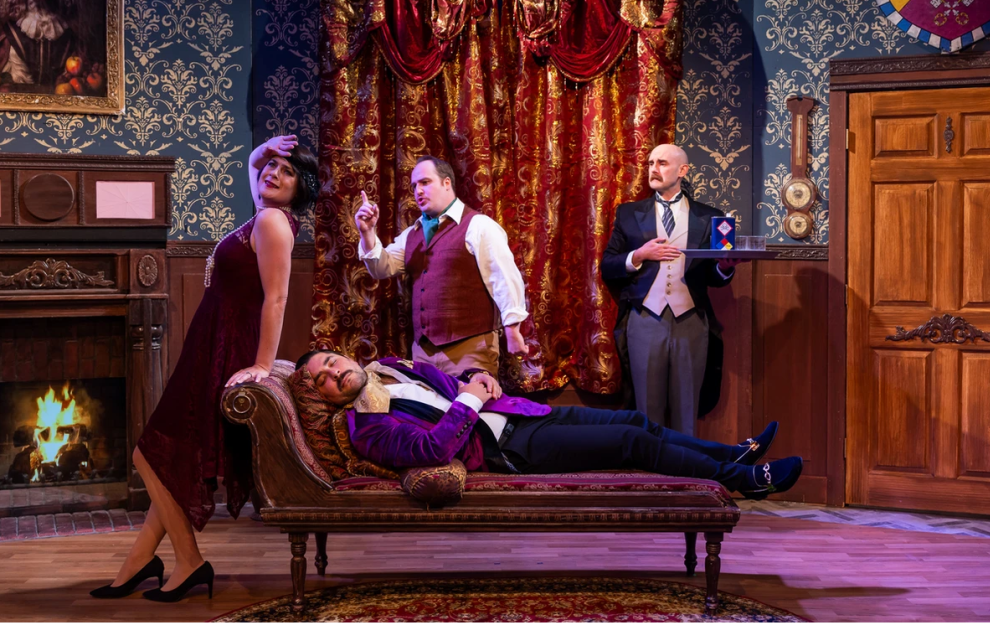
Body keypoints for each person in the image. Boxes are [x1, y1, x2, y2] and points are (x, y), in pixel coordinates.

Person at [89, 135, 320, 602]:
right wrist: (263, 152)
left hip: (226, 350)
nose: (273, 173)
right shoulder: (265, 212)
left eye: (287, 171)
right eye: (271, 166)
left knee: (148, 454)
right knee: (171, 459)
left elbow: (276, 299)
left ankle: (189, 561)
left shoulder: (273, 221)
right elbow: (254, 166)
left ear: (300, 188)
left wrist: (261, 364)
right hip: (210, 344)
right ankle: (140, 561)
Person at [294, 350, 799, 499]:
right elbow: (431, 451)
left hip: (520, 413)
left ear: (344, 354)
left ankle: (731, 452)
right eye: (322, 381)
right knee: (629, 441)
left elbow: (449, 382)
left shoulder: (390, 367)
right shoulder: (367, 427)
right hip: (509, 448)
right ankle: (744, 480)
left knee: (634, 419)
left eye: (331, 363)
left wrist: (474, 378)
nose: (334, 375)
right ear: (325, 396)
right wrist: (469, 400)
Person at [600, 144, 746, 435]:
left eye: (662, 163)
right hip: (644, 319)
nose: (653, 169)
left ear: (682, 171)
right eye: (650, 163)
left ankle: (685, 461)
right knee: (646, 406)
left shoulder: (710, 217)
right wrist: (639, 255)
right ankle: (649, 461)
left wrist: (725, 267)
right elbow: (608, 266)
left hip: (690, 319)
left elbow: (715, 277)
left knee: (686, 406)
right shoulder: (629, 214)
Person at [354, 155, 529, 376]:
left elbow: (503, 277)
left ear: (447, 183)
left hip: (470, 348)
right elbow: (381, 268)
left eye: (425, 182)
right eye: (414, 186)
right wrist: (367, 233)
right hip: (423, 353)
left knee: (470, 399)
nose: (418, 191)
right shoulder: (412, 234)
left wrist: (512, 328)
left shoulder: (479, 226)